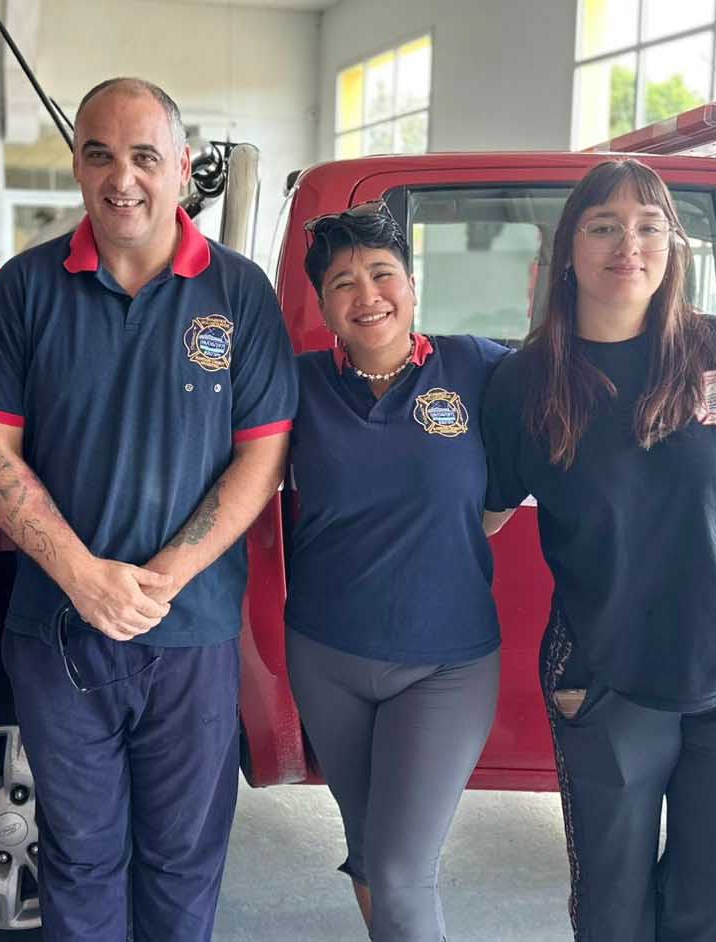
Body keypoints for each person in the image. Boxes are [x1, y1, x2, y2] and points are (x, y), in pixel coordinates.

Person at [0, 77, 296, 941]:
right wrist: (82, 578)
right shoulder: (26, 287)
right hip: (57, 631)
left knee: (184, 859)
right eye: (100, 154)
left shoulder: (240, 293)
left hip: (192, 633)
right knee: (79, 858)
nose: (123, 178)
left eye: (146, 156)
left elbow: (263, 457)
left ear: (182, 168)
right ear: (77, 164)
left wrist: (164, 578)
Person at [480, 158, 716, 941]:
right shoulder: (526, 382)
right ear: (568, 249)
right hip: (605, 676)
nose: (627, 245)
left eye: (648, 227)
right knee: (614, 912)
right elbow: (483, 513)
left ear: (674, 246)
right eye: (603, 226)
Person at [283, 204, 510, 942]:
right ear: (324, 307)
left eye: (383, 274)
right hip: (326, 656)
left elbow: (579, 382)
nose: (367, 295)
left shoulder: (476, 366)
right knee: (369, 852)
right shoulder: (297, 385)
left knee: (401, 870)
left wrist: (707, 342)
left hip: (445, 663)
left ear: (412, 285)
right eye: (343, 283)